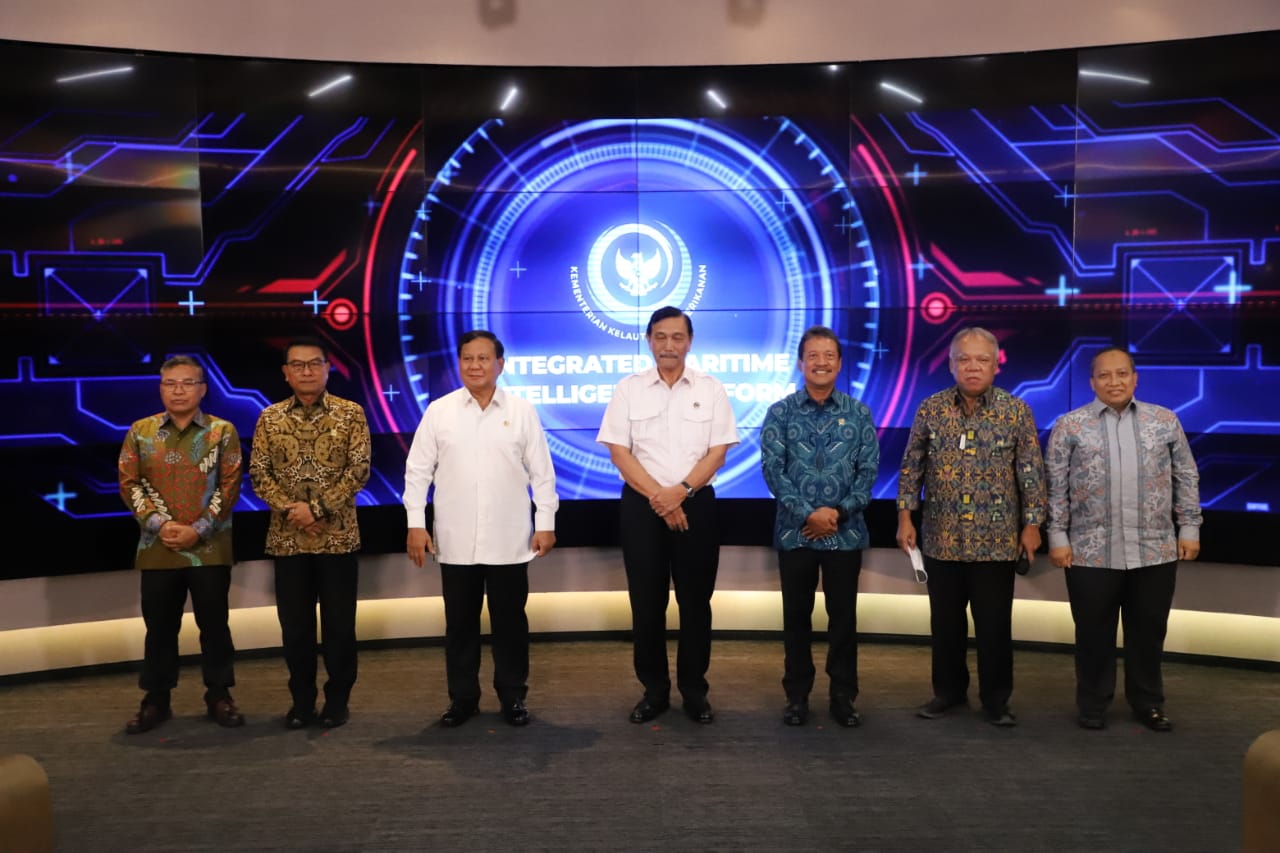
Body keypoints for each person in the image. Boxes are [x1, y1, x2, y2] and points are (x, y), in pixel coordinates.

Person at [403, 330, 558, 728]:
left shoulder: (522, 411)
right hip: (455, 541)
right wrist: (416, 525)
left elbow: (542, 474)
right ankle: (463, 699)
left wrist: (545, 524)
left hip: (510, 539)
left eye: (483, 359)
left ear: (500, 365)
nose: (475, 366)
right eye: (468, 359)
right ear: (459, 364)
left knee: (510, 624)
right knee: (460, 626)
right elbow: (418, 473)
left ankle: (512, 696)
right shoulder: (439, 411)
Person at [1045, 347, 1201, 732]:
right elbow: (1055, 487)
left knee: (1148, 632)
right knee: (1093, 633)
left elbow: (1186, 475)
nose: (1113, 382)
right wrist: (1057, 536)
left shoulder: (1164, 421)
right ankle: (1093, 704)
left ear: (1135, 378)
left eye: (1121, 374)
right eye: (1104, 375)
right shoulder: (1070, 426)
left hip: (1155, 548)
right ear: (1092, 381)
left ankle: (1147, 702)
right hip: (1088, 551)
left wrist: (1190, 527)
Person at [597, 306, 740, 725]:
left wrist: (680, 493)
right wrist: (661, 498)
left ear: (690, 342)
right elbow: (619, 452)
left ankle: (695, 691)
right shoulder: (629, 389)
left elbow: (718, 451)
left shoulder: (711, 389)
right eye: (660, 337)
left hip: (696, 503)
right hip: (642, 506)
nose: (669, 345)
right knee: (646, 604)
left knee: (696, 603)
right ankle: (654, 691)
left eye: (677, 337)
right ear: (648, 341)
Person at [896, 327, 1045, 727]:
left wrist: (1032, 526)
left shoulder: (1016, 411)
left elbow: (1031, 473)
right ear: (951, 364)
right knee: (945, 625)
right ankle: (948, 693)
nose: (973, 367)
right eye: (964, 359)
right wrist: (905, 516)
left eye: (981, 359)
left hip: (997, 541)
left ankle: (997, 699)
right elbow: (912, 466)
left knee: (994, 625)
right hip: (941, 538)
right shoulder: (930, 408)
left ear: (996, 364)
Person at [117, 355, 245, 734]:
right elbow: (129, 483)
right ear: (161, 388)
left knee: (215, 626)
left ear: (202, 389)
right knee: (159, 629)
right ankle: (156, 700)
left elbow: (230, 485)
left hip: (209, 548)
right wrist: (162, 524)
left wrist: (198, 530)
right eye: (170, 383)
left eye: (187, 383)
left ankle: (219, 694)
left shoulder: (223, 432)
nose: (178, 390)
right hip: (158, 549)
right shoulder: (140, 431)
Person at [760, 326, 879, 728]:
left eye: (829, 355)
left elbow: (869, 473)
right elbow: (773, 472)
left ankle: (843, 697)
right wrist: (808, 513)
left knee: (843, 619)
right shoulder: (780, 412)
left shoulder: (859, 414)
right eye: (813, 356)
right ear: (801, 363)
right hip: (796, 533)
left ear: (840, 363)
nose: (821, 362)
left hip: (845, 535)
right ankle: (796, 697)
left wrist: (837, 514)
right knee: (796, 618)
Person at [250, 337, 371, 729]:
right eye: (297, 365)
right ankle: (301, 702)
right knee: (296, 629)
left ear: (327, 368)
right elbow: (259, 474)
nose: (306, 371)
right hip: (288, 541)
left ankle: (337, 701)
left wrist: (317, 509)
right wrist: (294, 512)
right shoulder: (268, 417)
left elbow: (359, 471)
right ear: (285, 373)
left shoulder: (350, 414)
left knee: (339, 627)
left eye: (314, 364)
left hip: (338, 538)